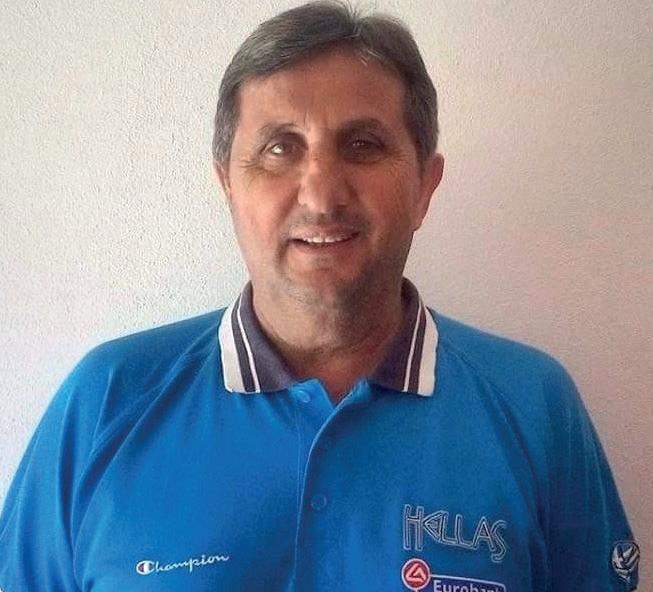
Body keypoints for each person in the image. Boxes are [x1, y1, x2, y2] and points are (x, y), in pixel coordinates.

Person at [0, 1, 639, 590]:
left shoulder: (534, 407)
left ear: (425, 185)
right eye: (280, 148)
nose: (322, 194)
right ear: (228, 185)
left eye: (363, 145)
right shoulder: (107, 401)